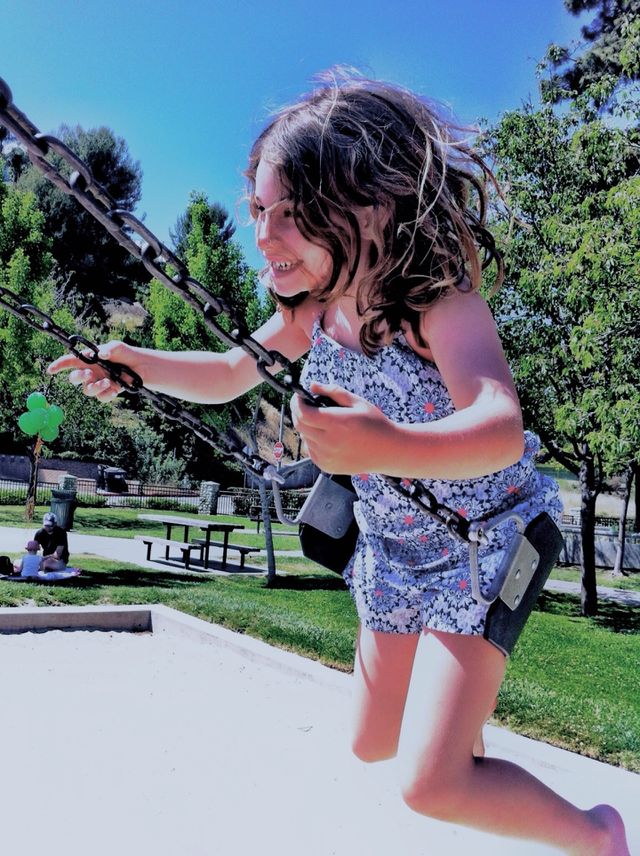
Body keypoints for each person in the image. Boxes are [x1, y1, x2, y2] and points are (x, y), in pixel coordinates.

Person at [47, 72, 629, 854]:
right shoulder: (312, 315)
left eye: (290, 212)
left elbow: (498, 428)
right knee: (370, 743)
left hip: (487, 542)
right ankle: (459, 731)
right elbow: (228, 373)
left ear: (371, 206)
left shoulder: (438, 304)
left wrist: (385, 445)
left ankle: (598, 835)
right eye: (259, 210)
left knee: (431, 784)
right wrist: (135, 363)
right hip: (394, 552)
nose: (264, 235)